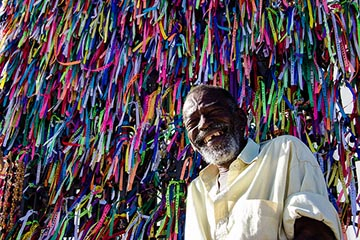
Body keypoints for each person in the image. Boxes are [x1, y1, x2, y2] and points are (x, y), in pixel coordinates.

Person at [182, 85, 342, 240]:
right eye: (193, 123)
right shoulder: (197, 190)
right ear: (191, 141)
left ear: (240, 119)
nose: (203, 124)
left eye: (213, 112)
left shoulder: (285, 152)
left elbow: (314, 232)